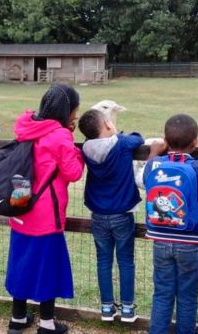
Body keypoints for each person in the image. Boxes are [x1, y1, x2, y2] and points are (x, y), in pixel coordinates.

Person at [138, 114, 198, 334]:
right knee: (187, 296)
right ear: (195, 142)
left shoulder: (155, 165)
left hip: (160, 239)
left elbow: (141, 181)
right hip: (190, 241)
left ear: (165, 140)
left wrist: (152, 154)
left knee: (162, 293)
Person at [5, 84, 84, 334]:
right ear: (67, 109)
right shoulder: (59, 135)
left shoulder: (25, 125)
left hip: (20, 204)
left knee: (21, 263)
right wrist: (78, 153)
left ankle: (18, 318)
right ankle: (47, 324)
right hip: (45, 214)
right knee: (47, 267)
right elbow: (73, 172)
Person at [77, 108, 143, 323]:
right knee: (125, 261)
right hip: (122, 214)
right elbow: (138, 139)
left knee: (103, 260)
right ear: (107, 125)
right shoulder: (122, 143)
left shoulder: (86, 148)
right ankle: (127, 308)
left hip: (98, 214)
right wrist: (119, 132)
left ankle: (106, 307)